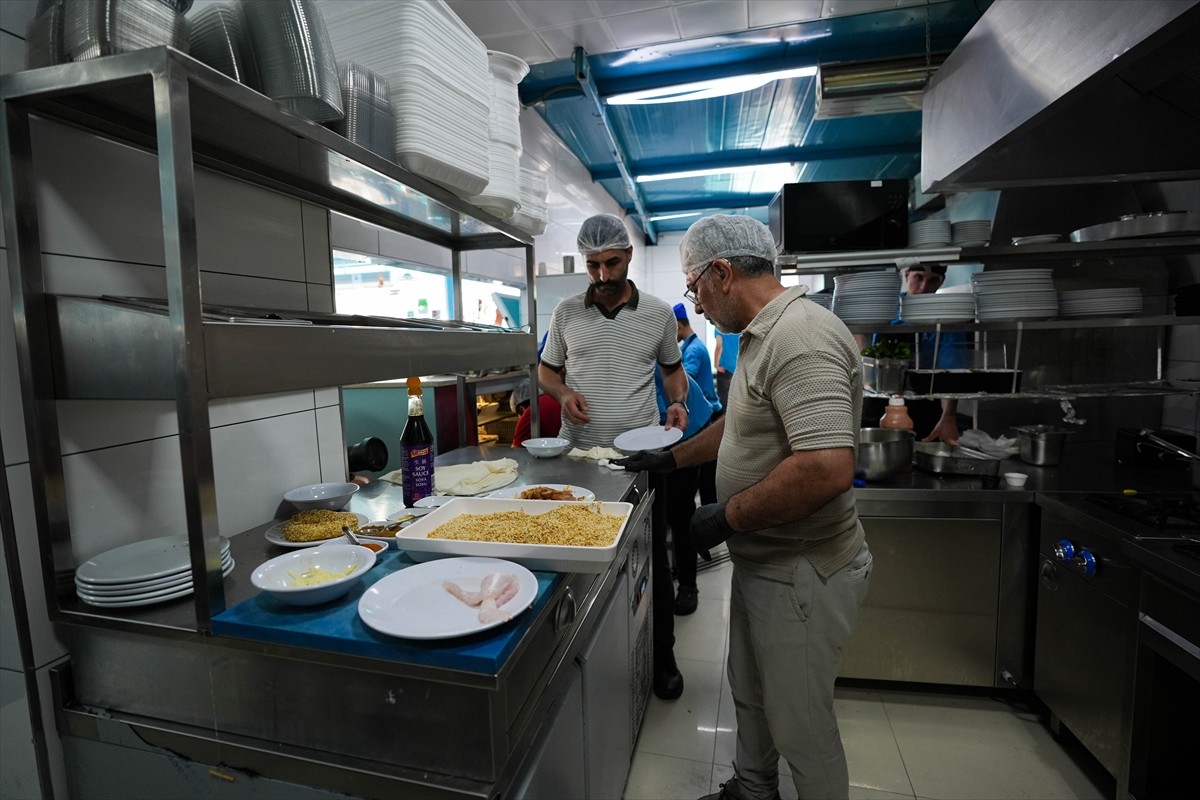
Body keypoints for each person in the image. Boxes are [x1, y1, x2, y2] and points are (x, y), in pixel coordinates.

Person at [618, 214, 873, 800]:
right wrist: (674, 460)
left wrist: (725, 516)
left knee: (802, 727)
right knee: (753, 695)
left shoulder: (801, 337)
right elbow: (740, 427)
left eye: (694, 288)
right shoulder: (761, 335)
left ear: (723, 273)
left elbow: (826, 467)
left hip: (804, 571)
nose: (697, 306)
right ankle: (754, 791)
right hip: (767, 562)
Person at [538, 212, 691, 700]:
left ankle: (661, 657)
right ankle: (588, 657)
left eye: (612, 263)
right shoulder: (565, 313)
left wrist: (679, 403)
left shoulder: (658, 314)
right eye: (593, 265)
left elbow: (671, 372)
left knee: (653, 561)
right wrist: (562, 394)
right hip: (580, 459)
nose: (603, 276)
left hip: (642, 458)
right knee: (582, 558)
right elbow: (545, 370)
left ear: (628, 256)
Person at [862, 262, 965, 444]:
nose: (924, 287)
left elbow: (951, 374)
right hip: (877, 407)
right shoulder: (885, 308)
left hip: (923, 412)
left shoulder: (948, 319)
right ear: (907, 275)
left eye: (933, 280)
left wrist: (948, 416)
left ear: (942, 282)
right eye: (918, 277)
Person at [671, 302, 722, 615]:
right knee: (679, 510)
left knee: (684, 511)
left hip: (698, 431)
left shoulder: (690, 352)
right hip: (678, 436)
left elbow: (685, 384)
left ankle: (688, 584)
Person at [713, 329, 740, 410]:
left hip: (725, 370)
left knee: (724, 404)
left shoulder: (720, 328)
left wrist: (716, 364)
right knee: (737, 403)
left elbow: (719, 346)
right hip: (738, 370)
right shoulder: (738, 327)